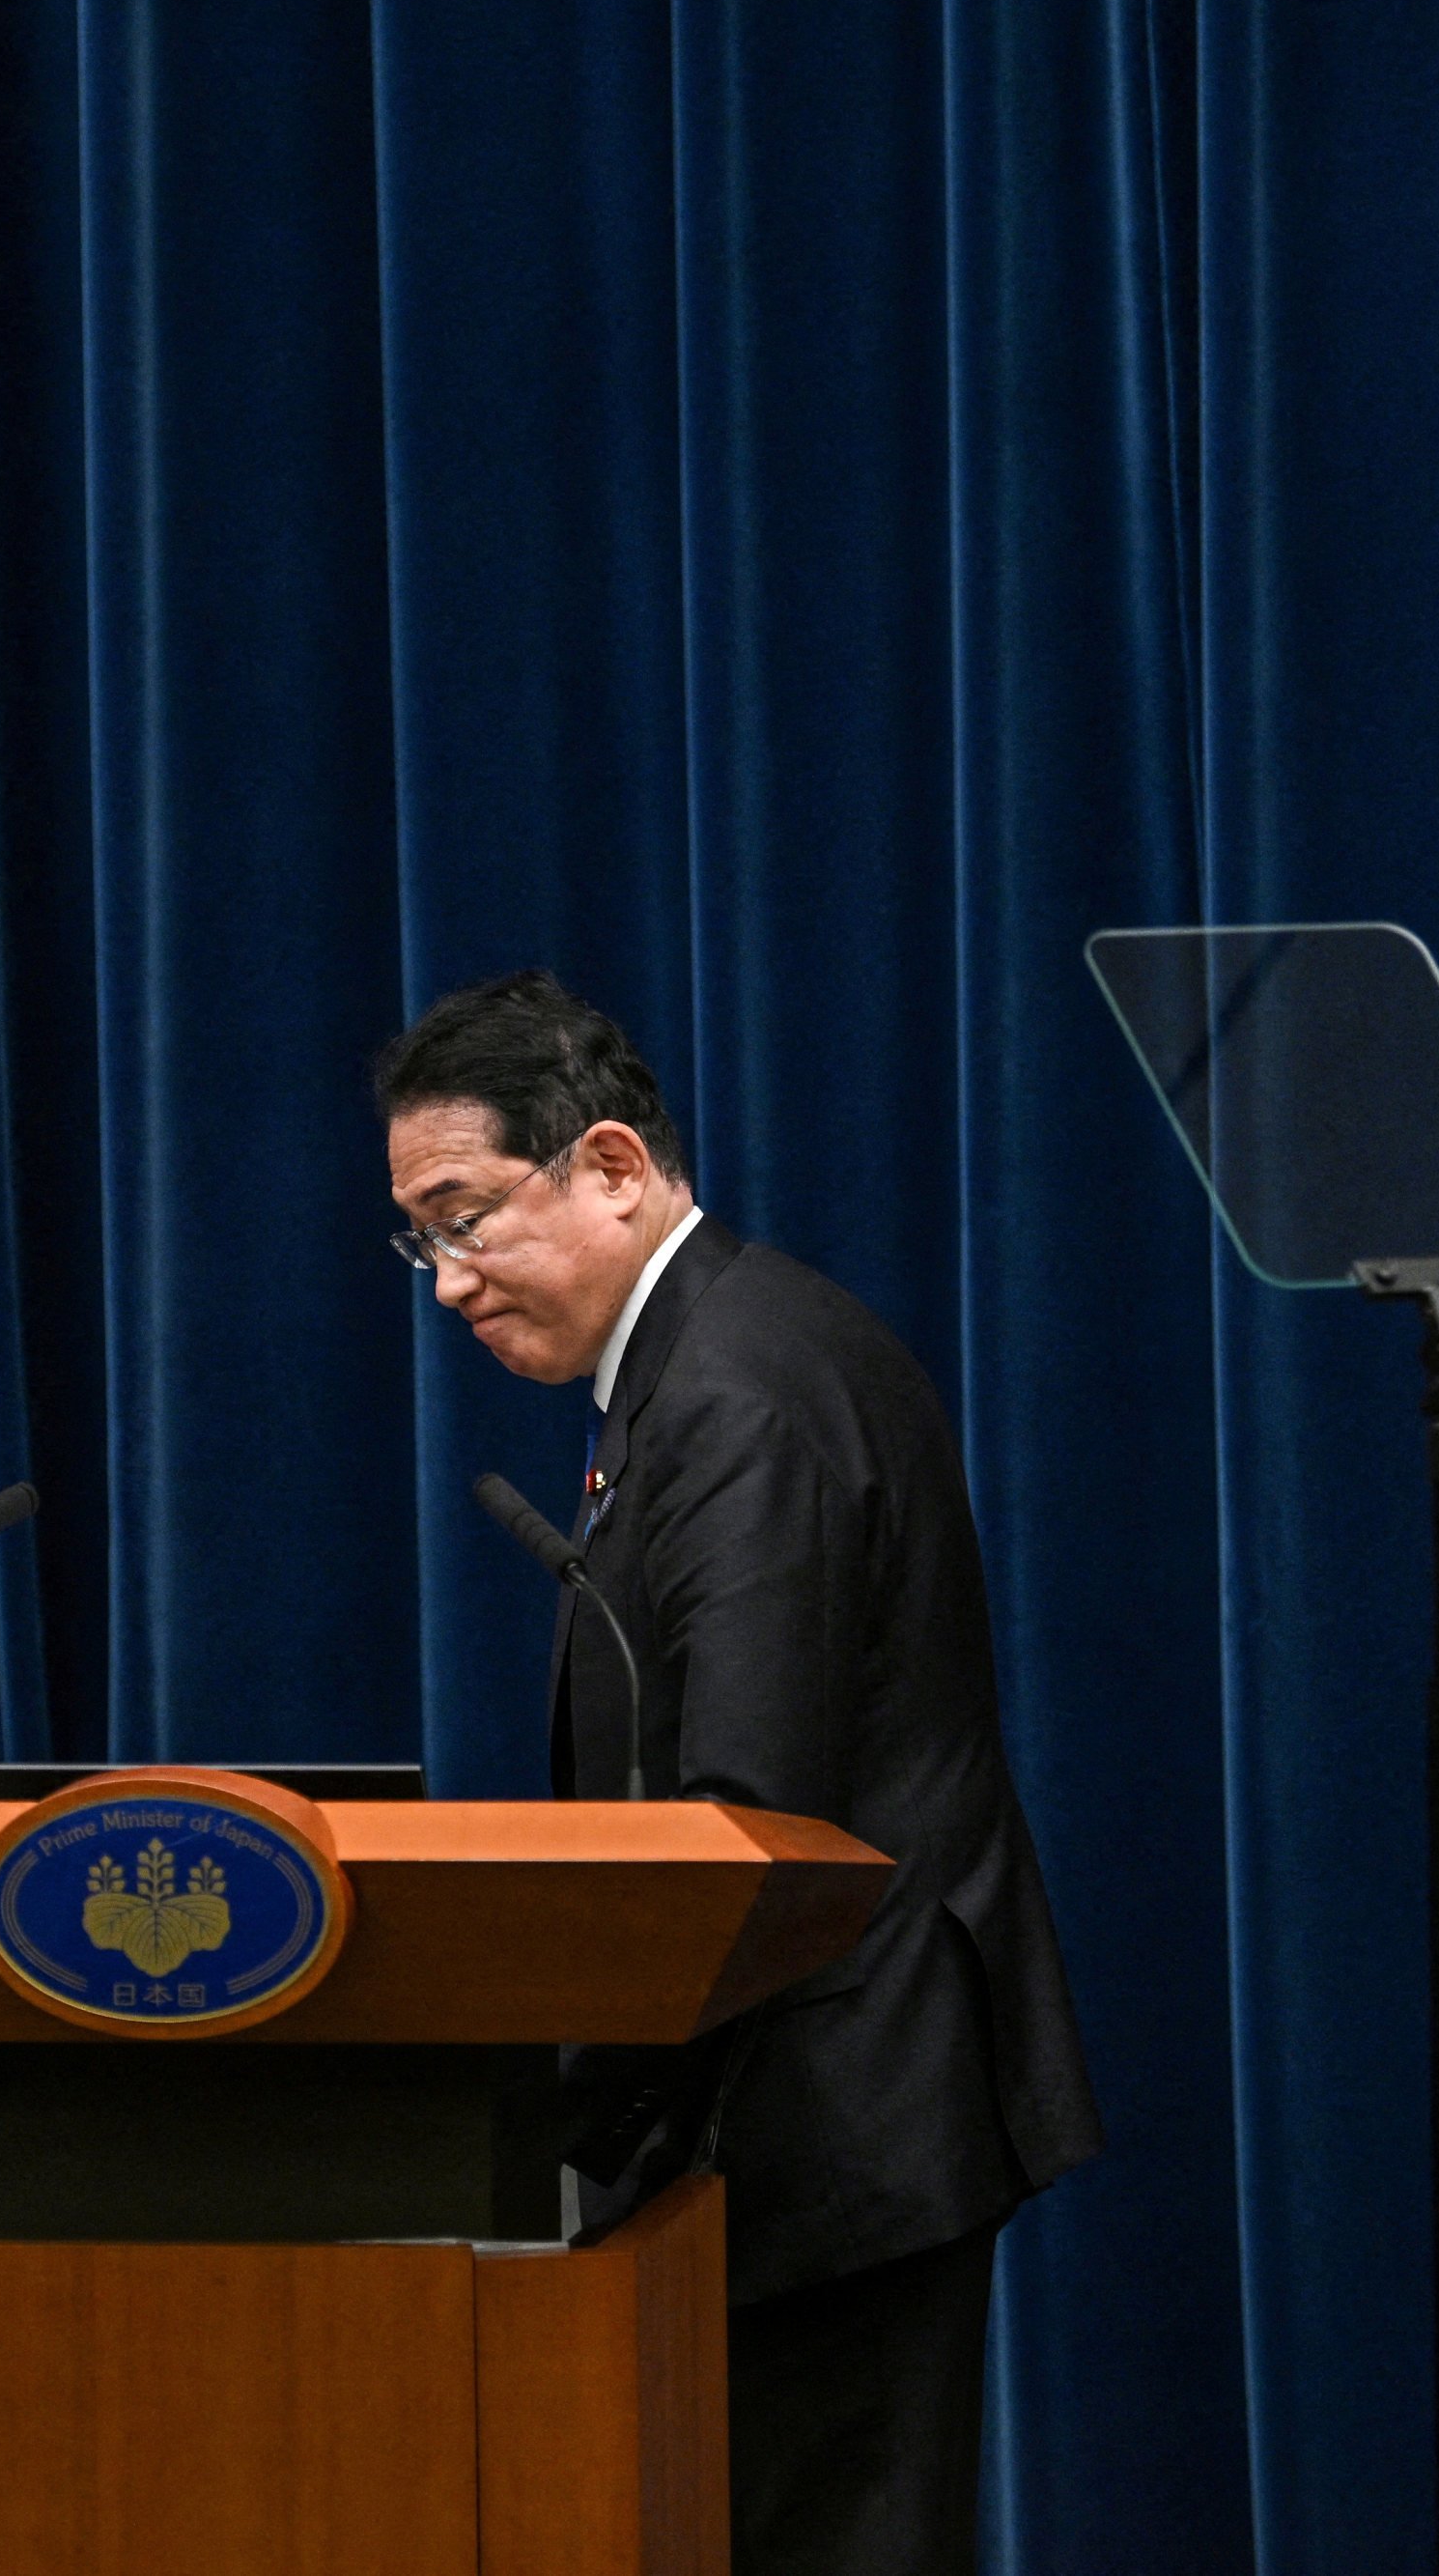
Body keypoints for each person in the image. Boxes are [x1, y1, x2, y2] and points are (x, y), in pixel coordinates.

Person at [375, 970, 1101, 2576]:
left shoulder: (739, 1393)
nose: (447, 1281)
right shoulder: (715, 1354)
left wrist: (566, 2140)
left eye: (468, 1217)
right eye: (420, 1239)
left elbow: (740, 1835)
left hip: (834, 2128)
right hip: (825, 2109)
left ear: (614, 1166)